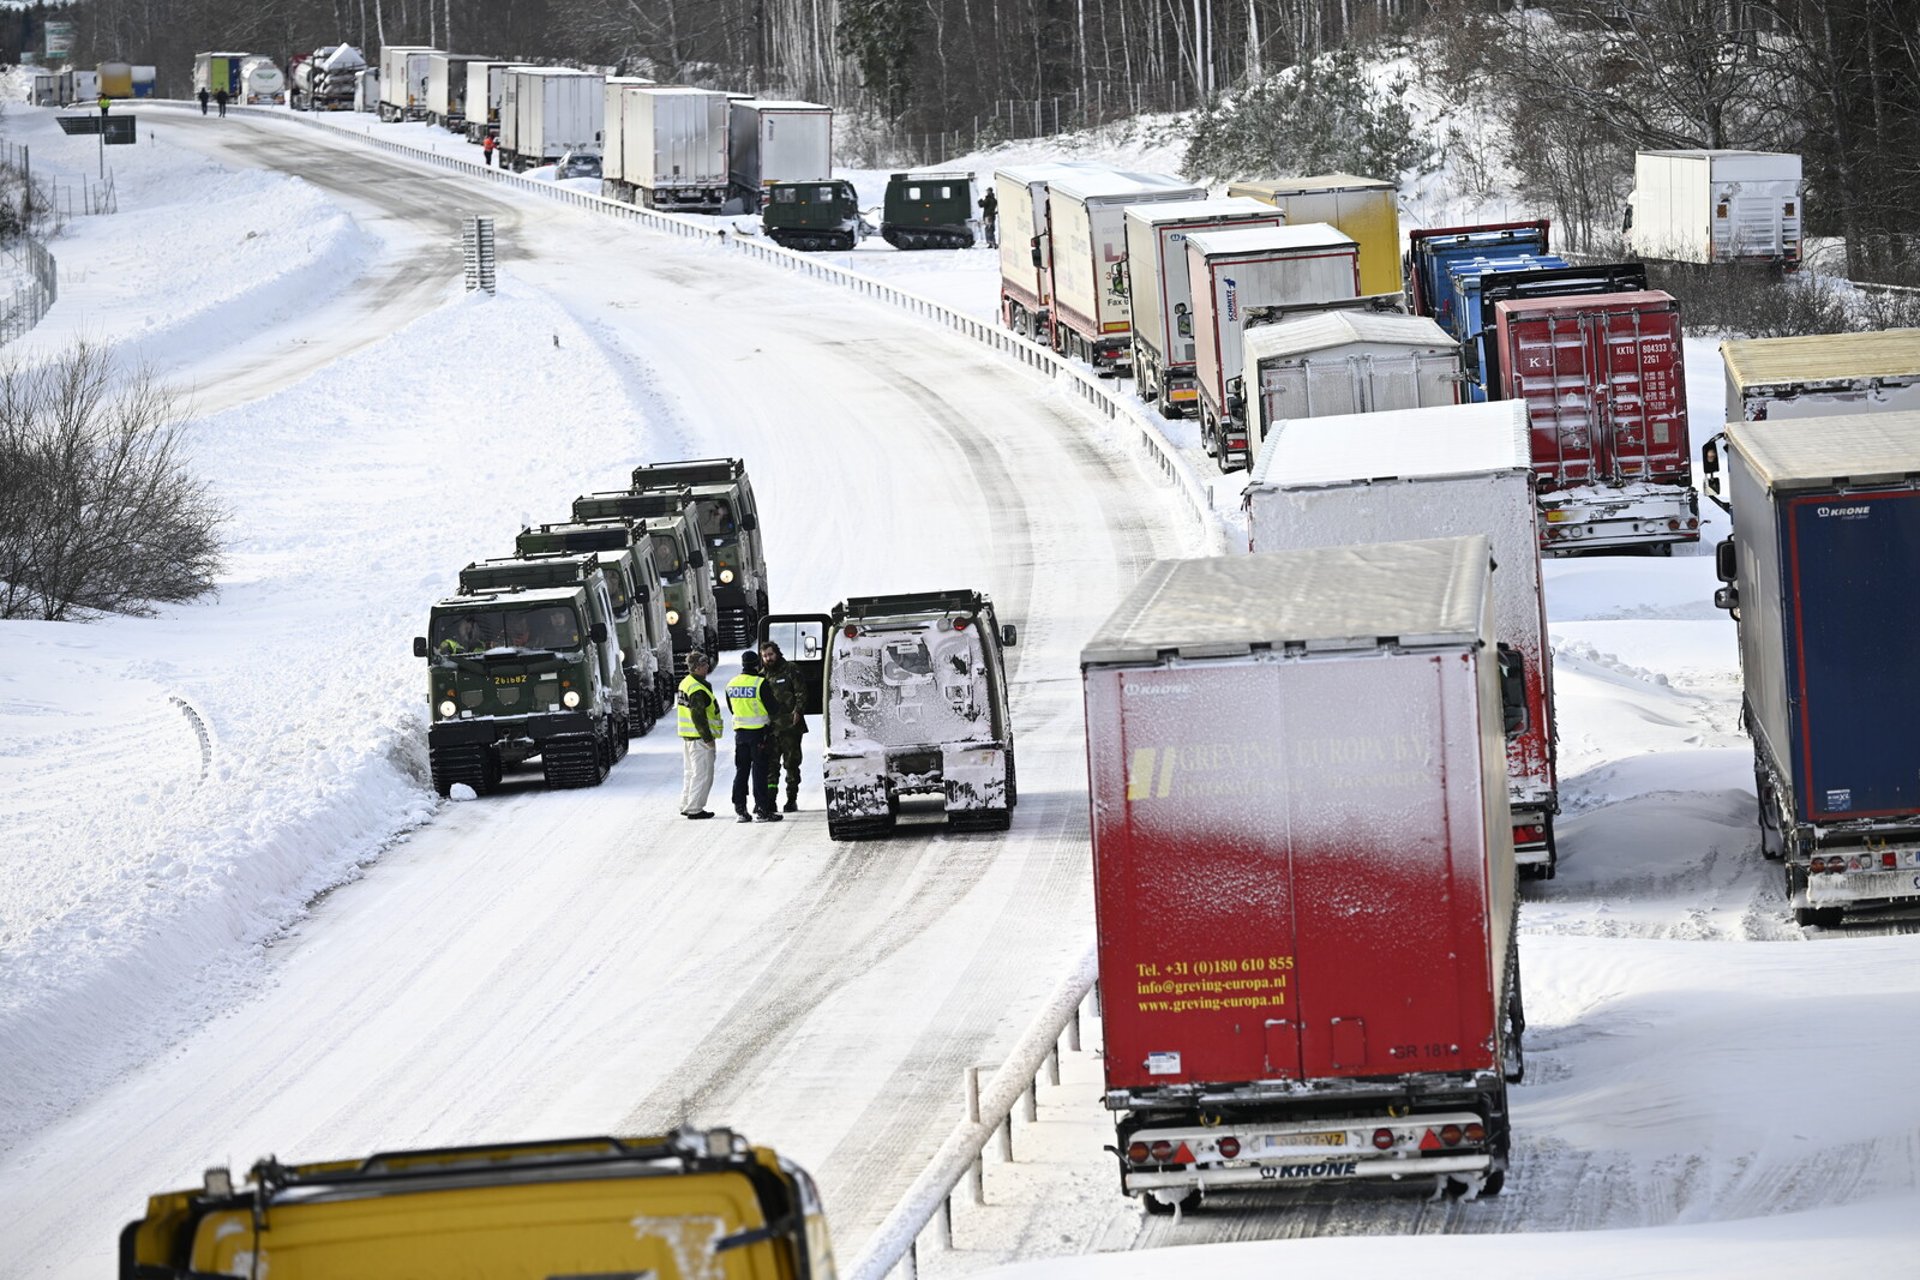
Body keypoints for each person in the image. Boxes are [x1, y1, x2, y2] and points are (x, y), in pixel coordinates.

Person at [726, 650, 781, 823]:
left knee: (741, 771)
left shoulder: (731, 684)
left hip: (740, 734)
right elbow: (773, 708)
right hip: (758, 734)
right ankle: (762, 810)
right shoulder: (760, 683)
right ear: (757, 664)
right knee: (759, 771)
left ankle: (740, 810)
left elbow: (731, 708)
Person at [760, 639, 808, 813]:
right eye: (765, 656)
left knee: (791, 765)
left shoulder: (790, 669)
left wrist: (798, 711)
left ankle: (791, 799)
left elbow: (801, 692)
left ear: (777, 653)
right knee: (771, 767)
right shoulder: (761, 676)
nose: (768, 658)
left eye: (770, 654)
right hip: (771, 729)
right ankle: (771, 800)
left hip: (790, 727)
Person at [676, 651, 722, 819]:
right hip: (700, 739)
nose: (707, 667)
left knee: (690, 773)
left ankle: (685, 804)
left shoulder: (686, 683)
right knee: (703, 775)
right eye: (704, 665)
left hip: (689, 738)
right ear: (697, 667)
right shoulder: (697, 688)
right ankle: (695, 809)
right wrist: (708, 738)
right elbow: (698, 716)